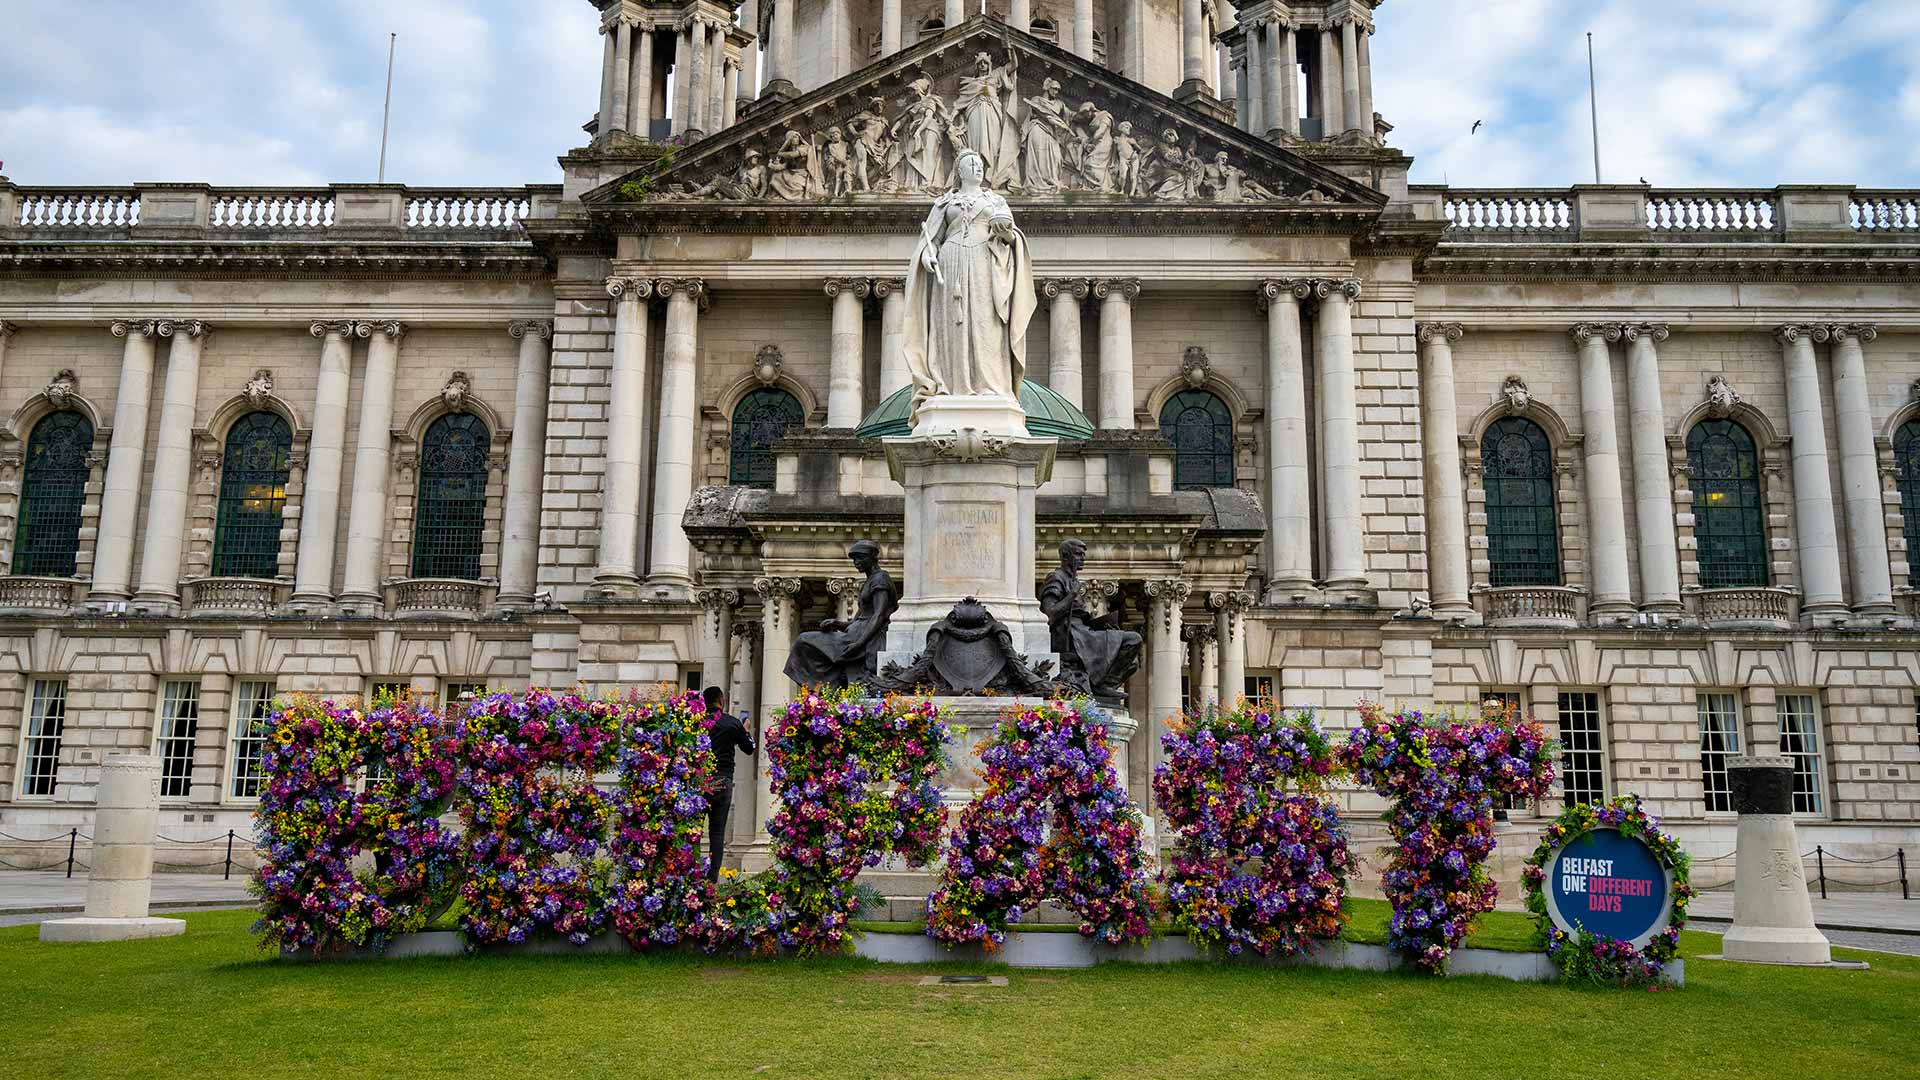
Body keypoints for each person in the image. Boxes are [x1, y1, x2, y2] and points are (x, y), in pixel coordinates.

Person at [901, 148, 1036, 412]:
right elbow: (932, 238)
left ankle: (990, 385)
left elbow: (1011, 236)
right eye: (970, 163)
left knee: (986, 322)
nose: (976, 167)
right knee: (950, 322)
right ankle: (948, 384)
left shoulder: (995, 201)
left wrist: (1007, 233)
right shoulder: (944, 202)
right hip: (951, 263)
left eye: (979, 164)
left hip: (985, 264)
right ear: (959, 171)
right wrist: (928, 255)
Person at [783, 540, 899, 687]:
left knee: (804, 641)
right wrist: (836, 623)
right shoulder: (869, 582)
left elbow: (879, 615)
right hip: (855, 633)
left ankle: (821, 687)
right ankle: (824, 689)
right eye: (854, 559)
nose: (856, 562)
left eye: (860, 558)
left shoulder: (880, 578)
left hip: (862, 638)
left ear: (871, 557)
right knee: (805, 643)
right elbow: (858, 620)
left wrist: (859, 644)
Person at [703, 685, 755, 883]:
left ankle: (691, 874)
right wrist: (746, 731)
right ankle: (711, 880)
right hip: (723, 780)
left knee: (693, 830)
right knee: (716, 833)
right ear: (722, 700)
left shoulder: (697, 723)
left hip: (701, 783)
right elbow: (749, 748)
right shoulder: (732, 723)